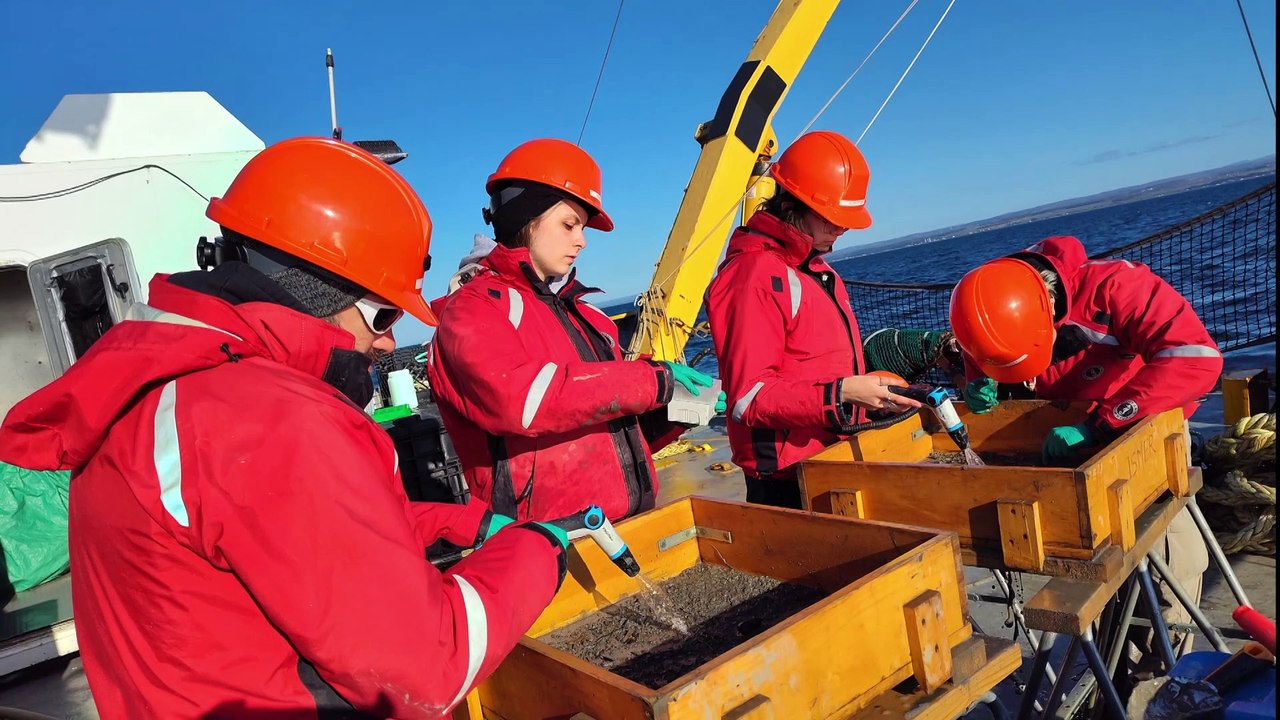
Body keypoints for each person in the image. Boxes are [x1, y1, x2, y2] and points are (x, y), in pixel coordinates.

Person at [0, 137, 573, 720]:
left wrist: (468, 520)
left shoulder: (157, 392)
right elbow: (426, 669)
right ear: (312, 291)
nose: (390, 341)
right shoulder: (271, 416)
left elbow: (288, 529)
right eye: (382, 314)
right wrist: (536, 550)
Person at [950, 234, 1220, 664]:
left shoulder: (1116, 289)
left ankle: (1165, 675)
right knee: (1093, 576)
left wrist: (1099, 423)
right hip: (1062, 455)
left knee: (1173, 567)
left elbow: (1197, 359)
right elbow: (984, 361)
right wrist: (981, 385)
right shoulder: (987, 303)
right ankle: (1116, 666)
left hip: (1137, 437)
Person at [426, 138, 724, 522]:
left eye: (581, 229)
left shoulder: (591, 319)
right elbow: (520, 399)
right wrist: (653, 380)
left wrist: (678, 408)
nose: (581, 241)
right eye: (569, 225)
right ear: (524, 217)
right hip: (544, 545)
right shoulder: (474, 308)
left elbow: (617, 434)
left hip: (627, 525)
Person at [705, 130, 922, 509]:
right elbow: (748, 399)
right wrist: (842, 394)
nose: (842, 229)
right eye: (832, 219)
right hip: (788, 480)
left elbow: (817, 368)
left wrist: (867, 394)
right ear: (793, 204)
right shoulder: (753, 274)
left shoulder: (819, 273)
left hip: (832, 457)